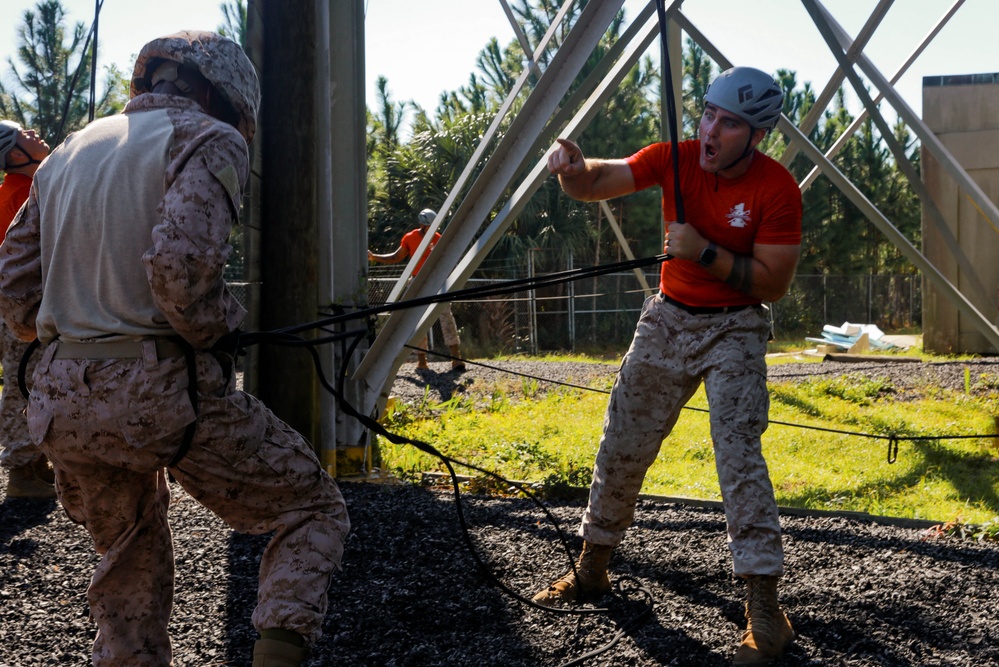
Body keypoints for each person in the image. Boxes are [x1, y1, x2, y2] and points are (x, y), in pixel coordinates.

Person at [0, 31, 350, 667]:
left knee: (129, 553)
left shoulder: (66, 153)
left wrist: (75, 334)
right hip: (160, 391)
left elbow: (14, 288)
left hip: (59, 404)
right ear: (224, 95)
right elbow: (181, 274)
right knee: (311, 508)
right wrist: (216, 332)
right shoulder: (208, 138)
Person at [533, 66, 801, 666]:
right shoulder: (675, 158)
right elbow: (606, 177)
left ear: (754, 134)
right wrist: (574, 172)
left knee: (738, 453)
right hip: (667, 318)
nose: (710, 129)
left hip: (736, 324)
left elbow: (773, 283)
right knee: (622, 442)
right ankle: (592, 568)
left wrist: (703, 252)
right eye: (707, 113)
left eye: (728, 122)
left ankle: (765, 613)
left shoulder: (777, 188)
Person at [0, 119, 54, 499]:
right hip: (20, 309)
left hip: (31, 305)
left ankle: (36, 462)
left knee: (35, 380)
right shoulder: (17, 195)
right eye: (25, 135)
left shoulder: (28, 188)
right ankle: (21, 470)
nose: (34, 133)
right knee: (23, 382)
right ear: (15, 154)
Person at [368, 208, 465, 370]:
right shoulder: (410, 238)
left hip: (437, 282)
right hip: (417, 283)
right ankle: (422, 361)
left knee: (446, 316)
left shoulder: (438, 238)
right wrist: (374, 257)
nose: (433, 230)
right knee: (417, 320)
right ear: (422, 224)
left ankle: (456, 358)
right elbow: (396, 257)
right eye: (430, 226)